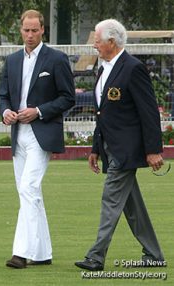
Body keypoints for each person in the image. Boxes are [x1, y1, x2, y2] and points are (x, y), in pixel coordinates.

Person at [75, 19, 166, 271]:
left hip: (127, 150)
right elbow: (103, 113)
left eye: (97, 41)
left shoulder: (133, 68)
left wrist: (153, 150)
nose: (94, 45)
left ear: (111, 42)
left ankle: (96, 256)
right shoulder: (103, 68)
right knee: (130, 203)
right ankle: (154, 254)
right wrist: (95, 148)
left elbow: (149, 113)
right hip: (110, 148)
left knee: (110, 200)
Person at [0, 10, 75, 269]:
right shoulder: (12, 60)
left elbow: (68, 97)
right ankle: (42, 253)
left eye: (34, 30)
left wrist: (39, 111)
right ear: (20, 30)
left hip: (42, 133)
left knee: (29, 189)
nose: (30, 35)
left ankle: (21, 252)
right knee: (30, 194)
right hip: (18, 133)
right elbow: (3, 96)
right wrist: (6, 112)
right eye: (26, 30)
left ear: (43, 30)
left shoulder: (57, 59)